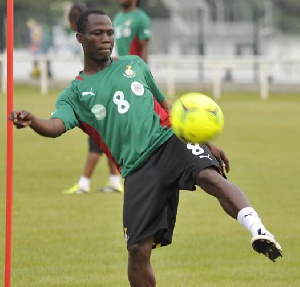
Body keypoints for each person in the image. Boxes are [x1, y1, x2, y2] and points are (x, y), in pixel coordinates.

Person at [10, 10, 282, 286]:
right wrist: (33, 121)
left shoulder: (135, 64)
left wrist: (205, 141)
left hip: (169, 142)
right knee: (137, 252)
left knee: (210, 176)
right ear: (80, 38)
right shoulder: (75, 94)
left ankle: (258, 230)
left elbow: (167, 107)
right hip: (137, 169)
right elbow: (56, 126)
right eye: (97, 33)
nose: (106, 39)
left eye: (109, 33)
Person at [62, 2, 123, 194]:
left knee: (97, 137)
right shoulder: (95, 34)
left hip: (106, 88)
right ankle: (115, 180)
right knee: (107, 136)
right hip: (101, 85)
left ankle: (84, 184)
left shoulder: (94, 35)